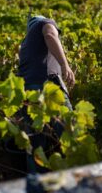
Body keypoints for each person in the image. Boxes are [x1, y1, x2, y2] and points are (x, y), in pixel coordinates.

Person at [12, 15, 75, 172]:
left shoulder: (26, 44)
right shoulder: (44, 23)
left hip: (27, 92)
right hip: (47, 85)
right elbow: (49, 34)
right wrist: (64, 65)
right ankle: (77, 178)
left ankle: (37, 188)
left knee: (35, 145)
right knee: (70, 133)